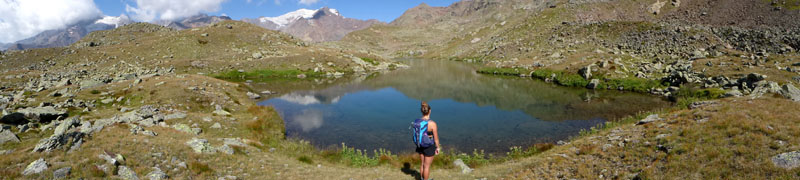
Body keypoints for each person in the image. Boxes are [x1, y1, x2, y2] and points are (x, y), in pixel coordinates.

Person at [416, 102, 440, 180]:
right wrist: (438, 148)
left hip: (420, 145)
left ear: (421, 111)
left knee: (422, 164)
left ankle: (422, 179)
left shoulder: (417, 121)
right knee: (427, 166)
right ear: (429, 111)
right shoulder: (432, 123)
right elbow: (436, 138)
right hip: (429, 146)